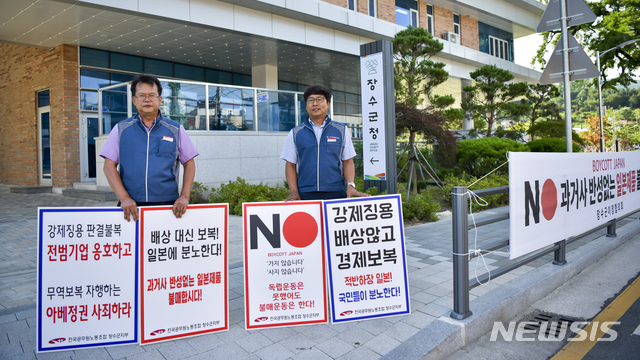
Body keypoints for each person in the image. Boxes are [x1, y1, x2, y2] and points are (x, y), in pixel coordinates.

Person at [100, 74, 199, 221]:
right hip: (130, 205)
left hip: (168, 204)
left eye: (151, 95)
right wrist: (124, 198)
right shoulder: (121, 129)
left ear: (160, 100)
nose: (147, 99)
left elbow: (189, 163)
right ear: (134, 100)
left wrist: (184, 196)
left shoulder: (175, 129)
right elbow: (109, 166)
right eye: (142, 96)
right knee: (132, 244)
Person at [281, 84, 369, 201]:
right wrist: (293, 191)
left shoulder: (341, 130)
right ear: (306, 105)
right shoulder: (296, 133)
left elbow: (347, 161)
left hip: (336, 192)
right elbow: (290, 164)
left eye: (320, 100)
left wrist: (350, 185)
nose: (315, 104)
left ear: (328, 104)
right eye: (310, 100)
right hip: (306, 193)